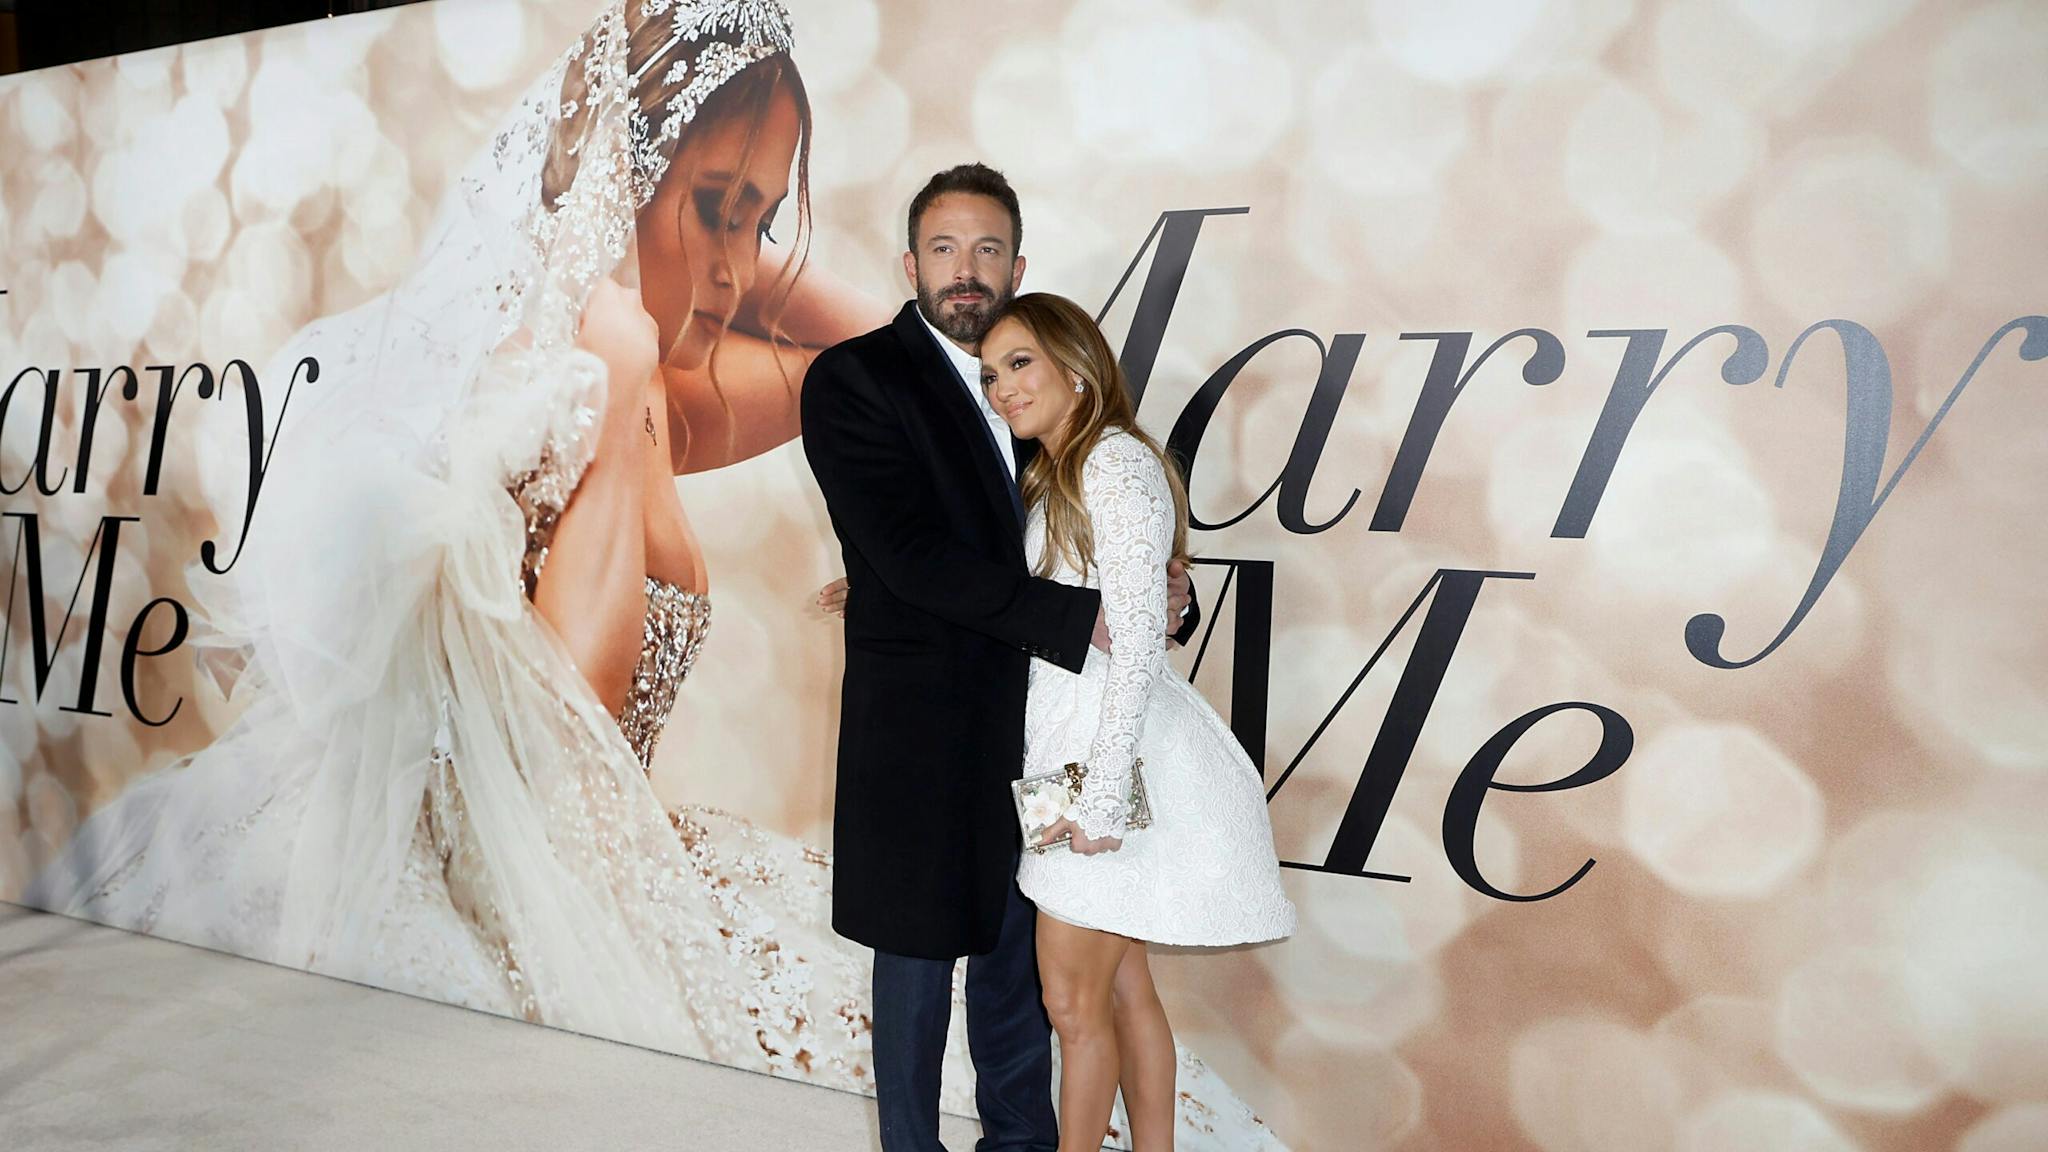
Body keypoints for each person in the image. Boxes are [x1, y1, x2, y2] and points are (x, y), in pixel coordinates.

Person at [800, 166, 1203, 1152]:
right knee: (913, 961)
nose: (966, 270)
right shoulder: (853, 379)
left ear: (1017, 265)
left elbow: (1099, 536)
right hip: (922, 727)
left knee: (1027, 964)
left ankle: (1018, 1143)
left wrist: (1161, 596)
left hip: (1049, 724)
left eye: (987, 250)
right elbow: (907, 555)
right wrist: (1078, 619)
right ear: (909, 264)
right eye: (943, 249)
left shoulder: (1043, 387)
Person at [980, 292, 1297, 1152]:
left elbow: (1136, 650)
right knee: (1120, 994)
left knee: (1071, 1006)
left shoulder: (1113, 465)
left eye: (1020, 364)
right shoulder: (1059, 470)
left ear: (1076, 366)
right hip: (1066, 762)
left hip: (1095, 768)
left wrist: (1104, 801)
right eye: (991, 373)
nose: (1003, 387)